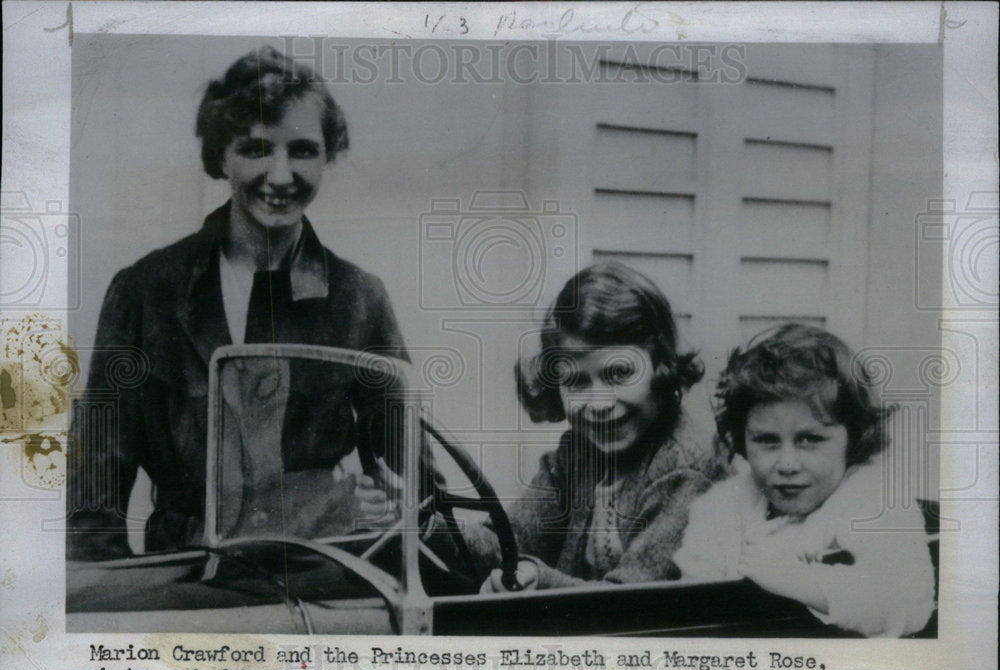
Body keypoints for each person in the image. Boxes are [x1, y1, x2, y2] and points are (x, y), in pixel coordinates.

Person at [67, 47, 405, 560]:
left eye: (303, 150)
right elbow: (93, 499)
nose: (281, 174)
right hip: (187, 584)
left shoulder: (360, 298)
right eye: (255, 148)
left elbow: (412, 471)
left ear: (328, 156)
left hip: (324, 582)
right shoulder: (144, 292)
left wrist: (391, 501)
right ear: (220, 155)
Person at [478, 262, 728, 592]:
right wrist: (421, 525)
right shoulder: (577, 456)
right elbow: (508, 541)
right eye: (576, 381)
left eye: (619, 374)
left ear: (661, 365)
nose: (599, 403)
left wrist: (540, 577)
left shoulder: (687, 469)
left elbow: (630, 604)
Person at [674, 324, 936, 637]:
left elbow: (906, 602)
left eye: (810, 439)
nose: (787, 464)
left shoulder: (874, 497)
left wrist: (800, 580)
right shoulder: (719, 508)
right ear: (742, 440)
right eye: (767, 440)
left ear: (853, 438)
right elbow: (693, 608)